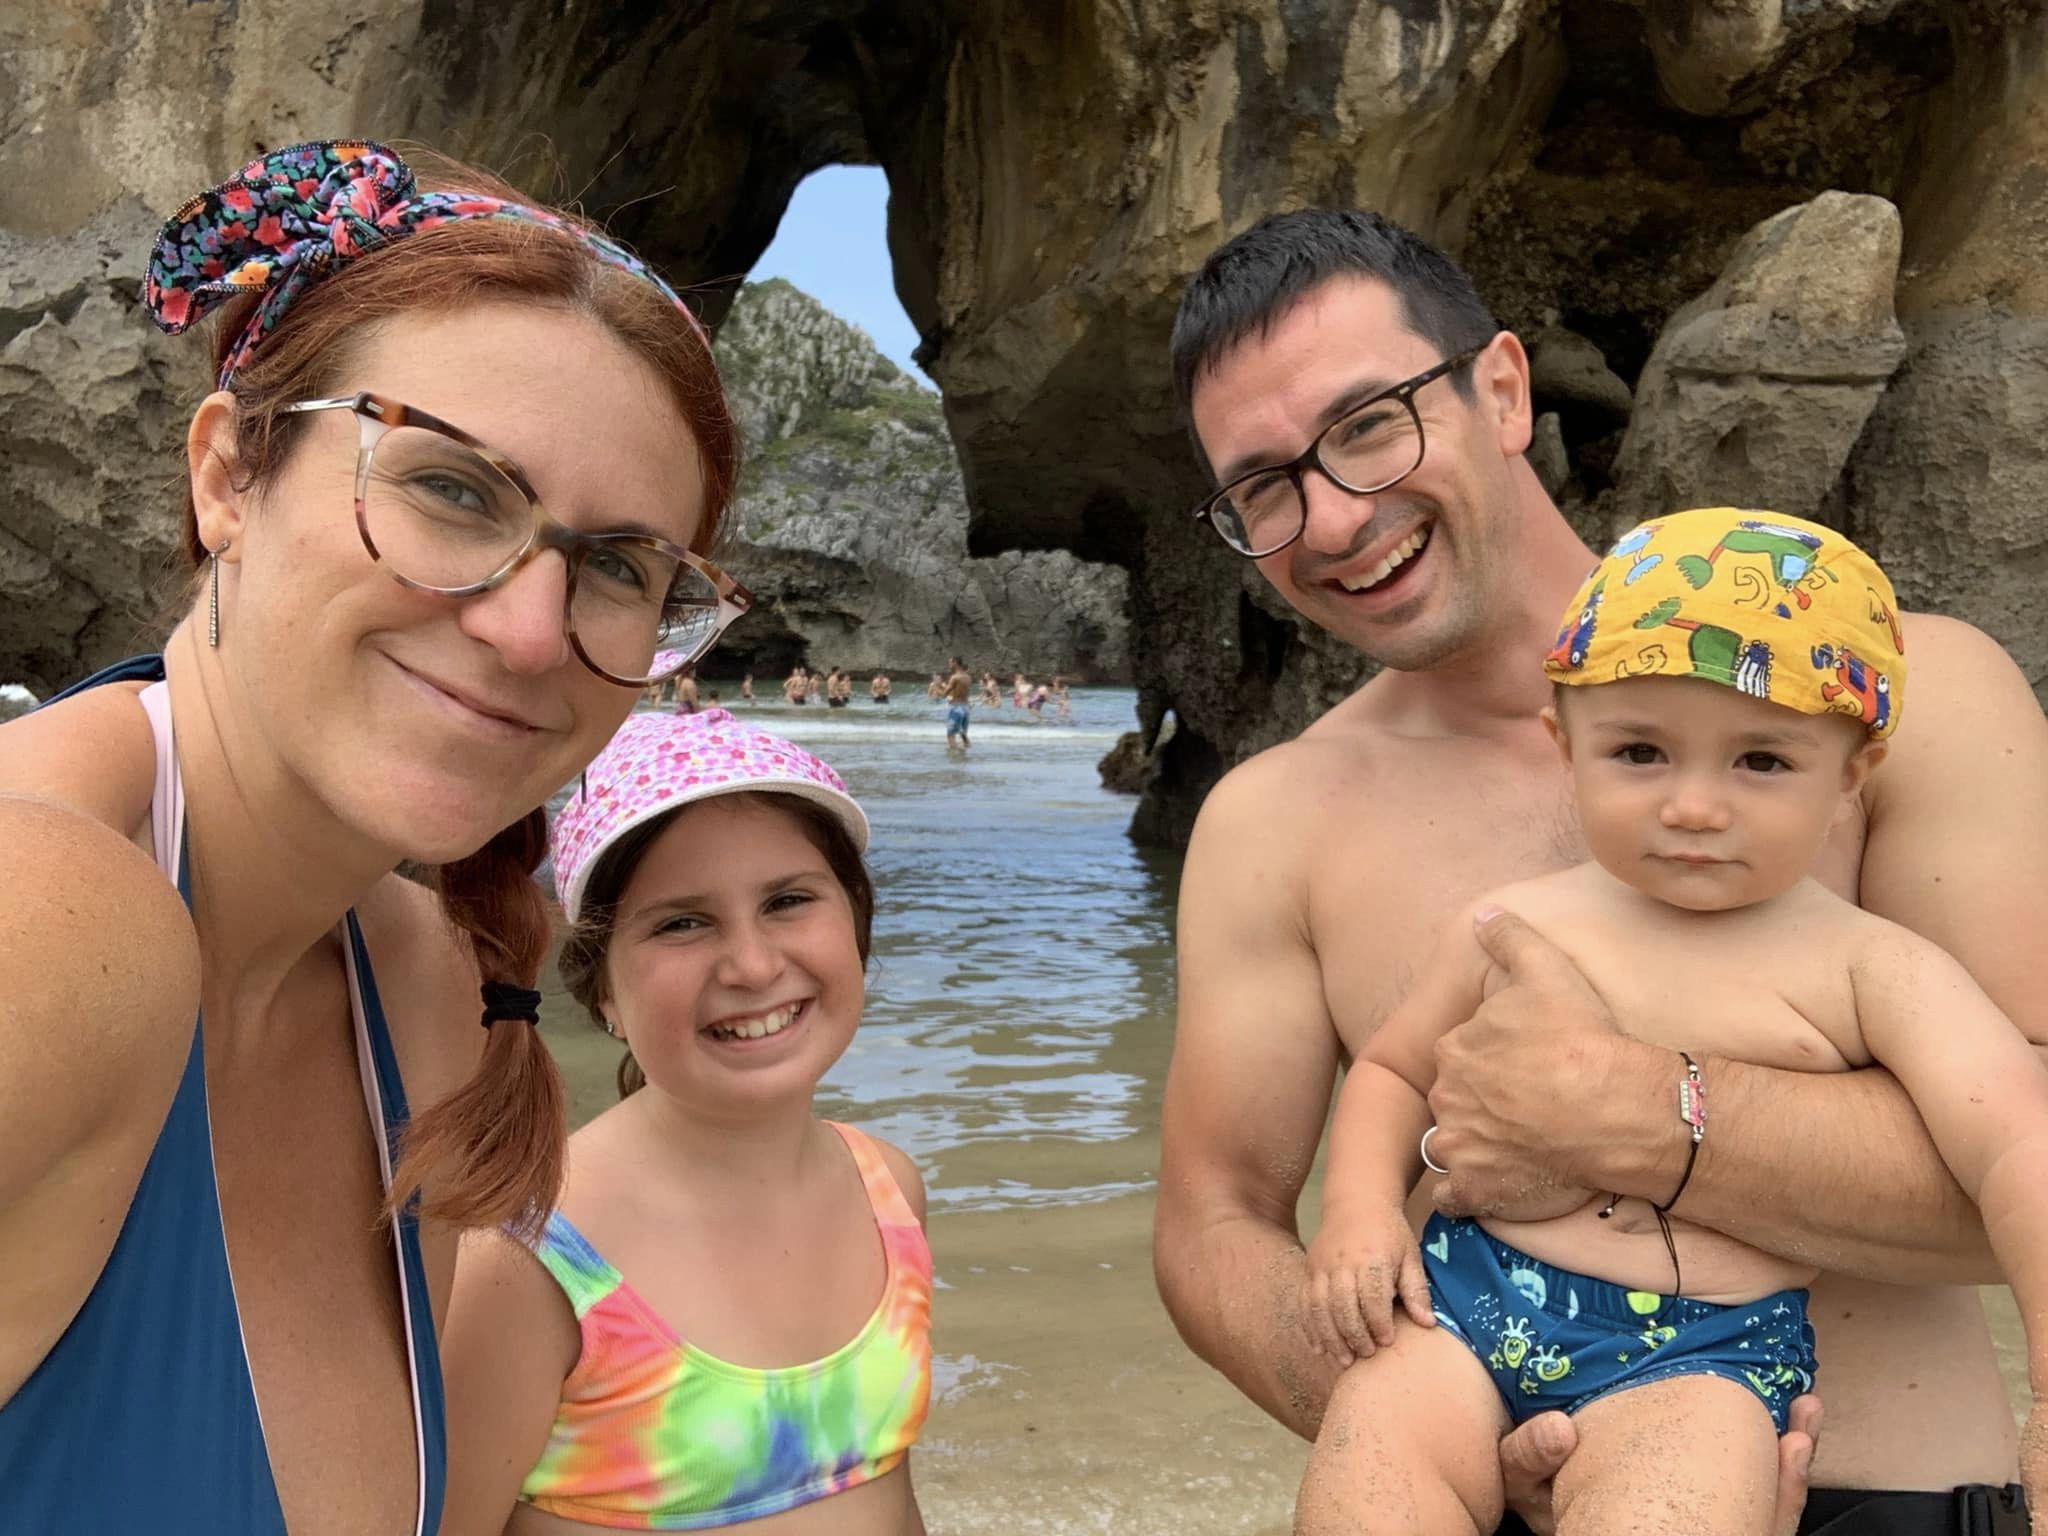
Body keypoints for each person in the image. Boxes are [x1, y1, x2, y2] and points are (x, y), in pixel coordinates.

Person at [1152, 208, 2048, 1535]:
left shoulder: (1904, 701)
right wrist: (1424, 1413)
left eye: (1367, 425)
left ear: (1502, 390)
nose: (1332, 517)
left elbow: (2023, 1140)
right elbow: (1212, 1222)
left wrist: (1647, 1114)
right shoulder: (1271, 822)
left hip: (1894, 1495)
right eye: (1264, 485)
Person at [0, 139, 749, 1531]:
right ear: (230, 475)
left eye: (619, 568)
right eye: (452, 490)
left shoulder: (421, 988)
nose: (531, 631)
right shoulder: (41, 914)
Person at [1296, 509, 2048, 1534]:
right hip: (1464, 1311)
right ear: (1565, 744)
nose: (1693, 806)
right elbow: (1387, 1071)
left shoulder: (1869, 968)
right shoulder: (1512, 925)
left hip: (1699, 1361)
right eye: (1640, 752)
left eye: (1761, 763)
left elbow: (2016, 1146)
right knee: (1368, 1467)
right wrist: (1355, 1213)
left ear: (1850, 776)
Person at [440, 710, 931, 1535]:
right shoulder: (531, 1254)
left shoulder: (888, 1190)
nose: (752, 964)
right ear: (603, 990)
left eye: (788, 901)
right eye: (682, 922)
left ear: (856, 921)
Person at [943, 656, 973, 753]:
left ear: (955, 663)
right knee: (963, 733)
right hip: (966, 708)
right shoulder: (968, 677)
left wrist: (940, 691)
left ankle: (953, 757)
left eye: (950, 663)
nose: (949, 665)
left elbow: (945, 693)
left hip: (956, 708)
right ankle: (966, 753)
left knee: (950, 734)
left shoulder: (955, 677)